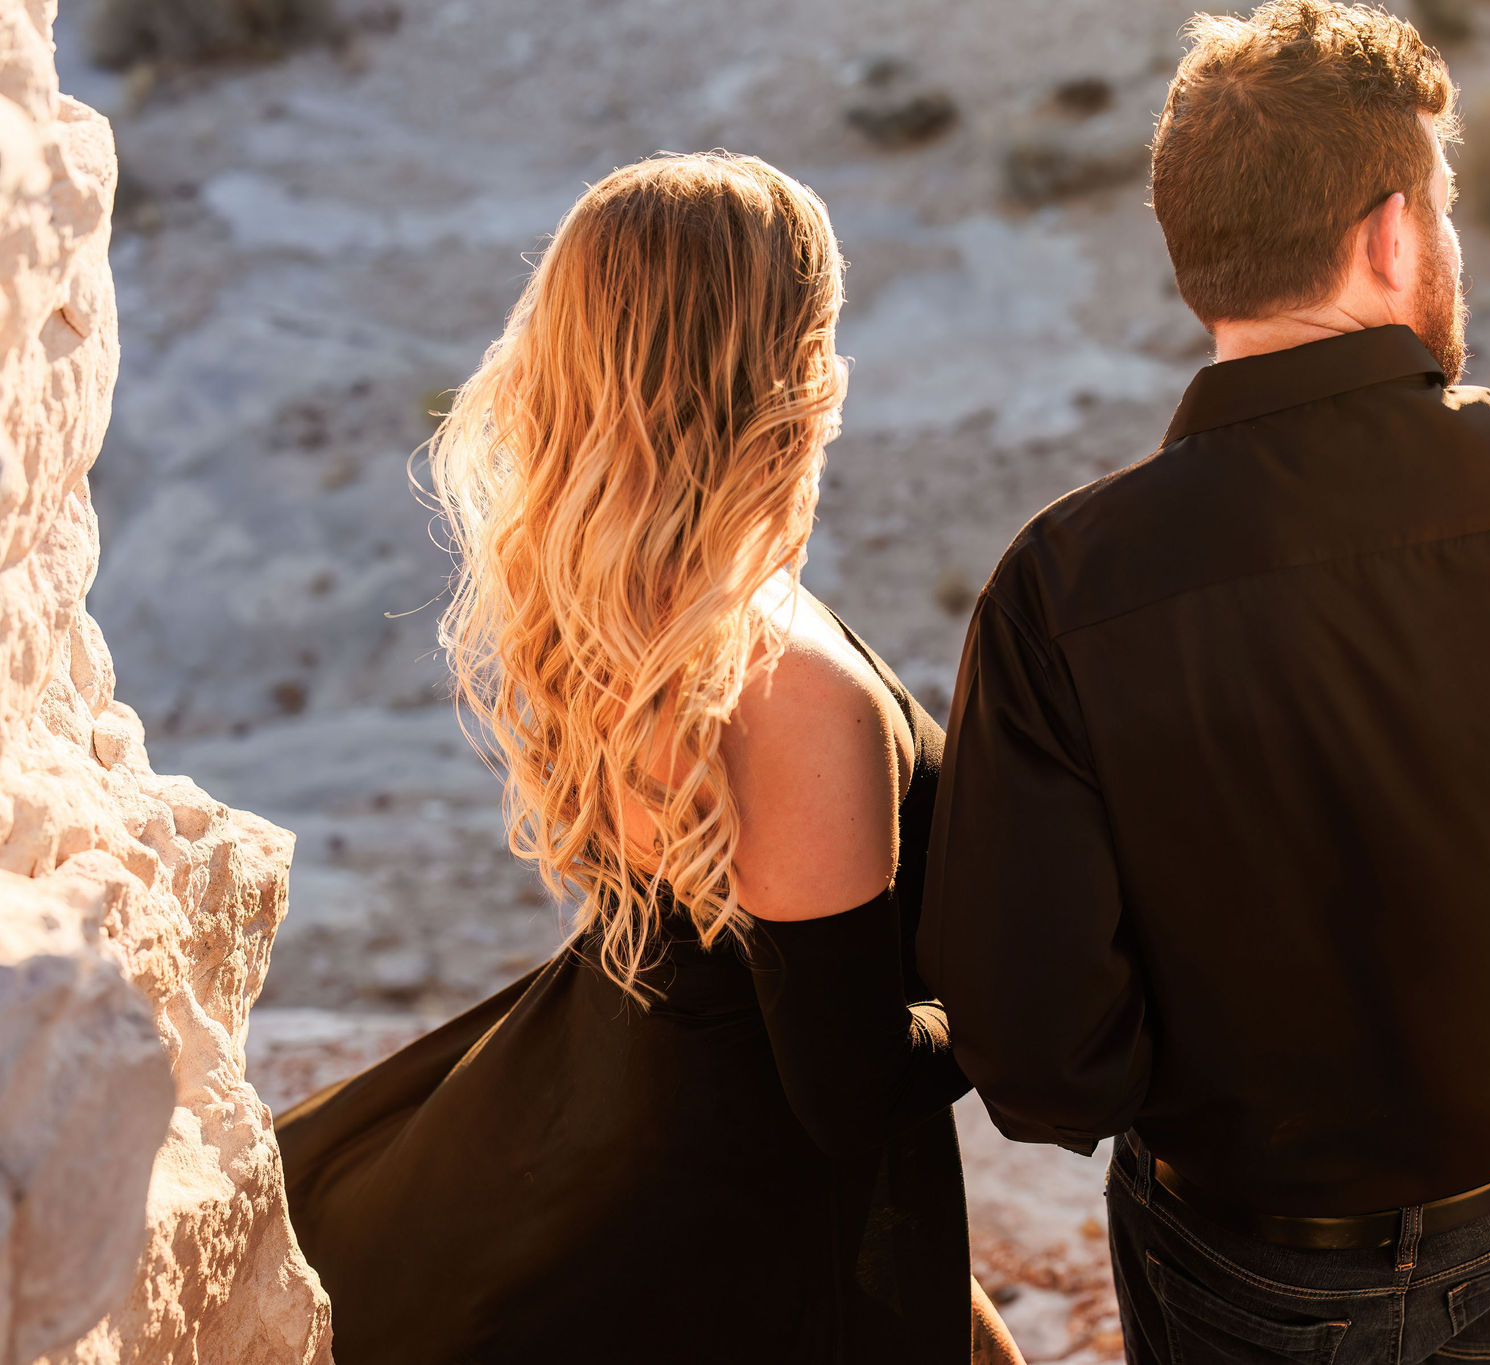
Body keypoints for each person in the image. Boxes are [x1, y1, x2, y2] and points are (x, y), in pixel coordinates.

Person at [918, 5, 1490, 1363]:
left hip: (1244, 1247)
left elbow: (1037, 1056)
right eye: (1441, 206)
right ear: (1392, 233)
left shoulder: (1065, 585)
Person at [276, 153, 1022, 1365]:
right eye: (822, 334)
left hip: (614, 1110)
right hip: (733, 1220)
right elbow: (845, 1094)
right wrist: (1021, 998)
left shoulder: (626, 605)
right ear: (782, 370)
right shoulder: (782, 687)